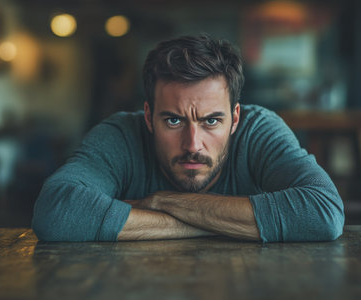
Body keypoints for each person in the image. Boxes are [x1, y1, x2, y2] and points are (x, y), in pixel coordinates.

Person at [32, 35, 344, 242]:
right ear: (148, 116)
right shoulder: (121, 136)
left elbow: (323, 212)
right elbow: (56, 212)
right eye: (173, 120)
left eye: (211, 121)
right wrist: (215, 222)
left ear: (235, 118)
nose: (193, 145)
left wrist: (161, 203)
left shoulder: (259, 130)